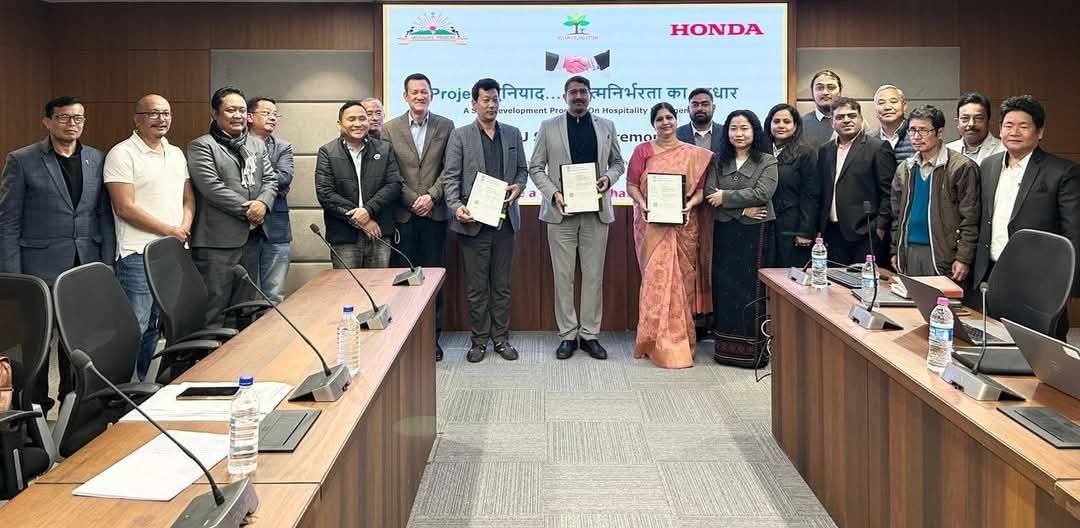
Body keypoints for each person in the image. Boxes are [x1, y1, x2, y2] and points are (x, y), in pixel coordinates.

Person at [0, 95, 115, 409]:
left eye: (78, 118)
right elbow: (8, 220)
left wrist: (105, 264)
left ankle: (73, 404)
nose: (72, 124)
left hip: (83, 266)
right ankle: (32, 408)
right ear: (47, 121)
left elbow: (103, 215)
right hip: (38, 268)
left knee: (77, 340)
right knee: (36, 342)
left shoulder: (96, 158)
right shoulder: (22, 160)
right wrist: (13, 276)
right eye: (64, 117)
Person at [529, 75, 625, 360]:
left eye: (583, 91)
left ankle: (590, 335)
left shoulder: (607, 126)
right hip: (561, 214)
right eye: (573, 92)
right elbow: (536, 167)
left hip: (596, 214)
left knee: (594, 277)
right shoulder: (548, 127)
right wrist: (554, 193)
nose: (579, 96)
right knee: (563, 278)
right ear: (565, 97)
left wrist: (609, 178)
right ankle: (568, 335)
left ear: (590, 95)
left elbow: (618, 163)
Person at [972, 95, 1080, 339]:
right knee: (992, 344)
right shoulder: (988, 165)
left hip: (1040, 282)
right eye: (1008, 125)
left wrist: (1068, 286)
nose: (1014, 132)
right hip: (990, 275)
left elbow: (1074, 232)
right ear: (1000, 130)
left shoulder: (1062, 171)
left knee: (1038, 352)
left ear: (1039, 132)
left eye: (1024, 126)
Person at [104, 94, 194, 381]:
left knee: (157, 325)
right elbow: (125, 207)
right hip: (137, 254)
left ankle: (141, 384)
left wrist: (183, 227)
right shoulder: (122, 153)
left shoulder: (176, 153)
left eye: (166, 113)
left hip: (171, 252)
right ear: (137, 119)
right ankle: (121, 390)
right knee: (136, 325)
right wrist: (170, 231)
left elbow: (188, 198)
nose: (161, 119)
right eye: (154, 113)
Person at [441, 79, 528, 363]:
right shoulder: (460, 135)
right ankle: (479, 341)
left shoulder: (513, 133)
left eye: (495, 100)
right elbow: (450, 177)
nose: (491, 105)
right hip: (473, 223)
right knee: (477, 288)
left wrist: (518, 187)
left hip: (505, 223)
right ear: (474, 103)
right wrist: (456, 207)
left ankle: (501, 339)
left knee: (502, 286)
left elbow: (522, 171)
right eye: (486, 100)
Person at [627, 102, 713, 368]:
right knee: (655, 282)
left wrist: (690, 204)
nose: (665, 122)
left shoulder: (693, 154)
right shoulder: (643, 150)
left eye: (669, 117)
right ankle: (653, 340)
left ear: (677, 120)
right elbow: (631, 185)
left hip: (683, 224)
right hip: (651, 225)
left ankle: (679, 342)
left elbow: (700, 191)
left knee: (681, 284)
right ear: (653, 124)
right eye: (659, 119)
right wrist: (643, 203)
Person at [187, 87, 278, 327]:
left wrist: (263, 203)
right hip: (217, 242)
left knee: (245, 307)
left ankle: (242, 351)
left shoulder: (256, 145)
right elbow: (211, 187)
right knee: (214, 308)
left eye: (242, 110)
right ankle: (211, 352)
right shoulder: (202, 146)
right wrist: (250, 210)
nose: (238, 115)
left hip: (252, 238)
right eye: (231, 110)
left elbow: (270, 180)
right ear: (215, 113)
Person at [382, 73, 455, 361]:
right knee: (403, 281)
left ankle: (432, 339)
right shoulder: (389, 129)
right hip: (404, 216)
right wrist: (413, 199)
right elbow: (390, 172)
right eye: (414, 92)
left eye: (424, 92)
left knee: (433, 280)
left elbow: (450, 169)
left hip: (435, 215)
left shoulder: (446, 126)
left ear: (432, 95)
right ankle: (406, 339)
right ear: (405, 96)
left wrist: (432, 196)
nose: (420, 96)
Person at [705, 110, 777, 368]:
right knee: (725, 289)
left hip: (755, 233)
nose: (739, 133)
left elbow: (763, 193)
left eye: (744, 128)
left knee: (752, 290)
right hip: (725, 232)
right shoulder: (718, 160)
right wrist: (741, 209)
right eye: (733, 128)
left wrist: (725, 197)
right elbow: (710, 194)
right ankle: (725, 350)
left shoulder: (767, 160)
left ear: (754, 131)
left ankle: (753, 353)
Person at [888, 105, 979, 285]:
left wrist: (963, 257)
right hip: (909, 249)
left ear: (939, 132)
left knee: (941, 301)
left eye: (923, 130)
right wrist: (895, 250)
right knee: (909, 300)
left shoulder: (961, 167)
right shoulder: (905, 168)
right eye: (912, 130)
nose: (916, 136)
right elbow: (896, 216)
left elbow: (970, 217)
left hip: (942, 251)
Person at [315, 101, 402, 268]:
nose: (358, 123)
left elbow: (394, 185)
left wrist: (368, 210)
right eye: (351, 119)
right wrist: (361, 220)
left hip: (379, 231)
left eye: (362, 118)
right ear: (340, 124)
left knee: (379, 283)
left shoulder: (385, 149)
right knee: (347, 284)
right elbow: (325, 193)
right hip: (344, 235)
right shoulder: (327, 152)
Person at [817, 97, 897, 265]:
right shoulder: (825, 150)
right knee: (834, 280)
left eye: (852, 116)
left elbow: (889, 193)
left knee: (863, 281)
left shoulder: (878, 148)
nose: (846, 120)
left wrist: (879, 228)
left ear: (861, 119)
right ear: (832, 122)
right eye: (840, 117)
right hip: (832, 234)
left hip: (866, 234)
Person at [244, 96, 294, 304]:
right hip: (243, 225)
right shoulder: (236, 144)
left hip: (276, 228)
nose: (273, 118)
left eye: (275, 114)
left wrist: (252, 182)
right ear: (249, 117)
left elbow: (285, 177)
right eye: (266, 113)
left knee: (274, 294)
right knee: (242, 293)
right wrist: (271, 186)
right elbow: (235, 180)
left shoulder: (283, 147)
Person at [765, 103, 819, 268]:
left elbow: (810, 194)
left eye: (787, 122)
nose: (781, 125)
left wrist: (805, 231)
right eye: (776, 121)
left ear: (795, 126)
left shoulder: (806, 152)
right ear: (769, 124)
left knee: (789, 273)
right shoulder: (760, 151)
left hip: (792, 223)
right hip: (765, 223)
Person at [946, 92, 1005, 165]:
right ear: (957, 122)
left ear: (989, 121)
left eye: (978, 118)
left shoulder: (1004, 150)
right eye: (965, 118)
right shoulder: (947, 151)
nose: (971, 124)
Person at [873, 84, 915, 164]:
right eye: (881, 103)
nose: (887, 107)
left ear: (904, 106)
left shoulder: (917, 134)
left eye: (893, 102)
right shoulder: (868, 139)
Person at [801, 70, 842, 147]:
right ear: (812, 92)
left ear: (839, 92)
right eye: (819, 88)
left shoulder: (854, 122)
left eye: (831, 88)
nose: (825, 92)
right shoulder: (800, 125)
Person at [676, 88, 723, 153]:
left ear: (713, 108)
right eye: (695, 105)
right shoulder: (676, 135)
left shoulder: (725, 133)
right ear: (688, 109)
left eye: (705, 104)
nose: (699, 108)